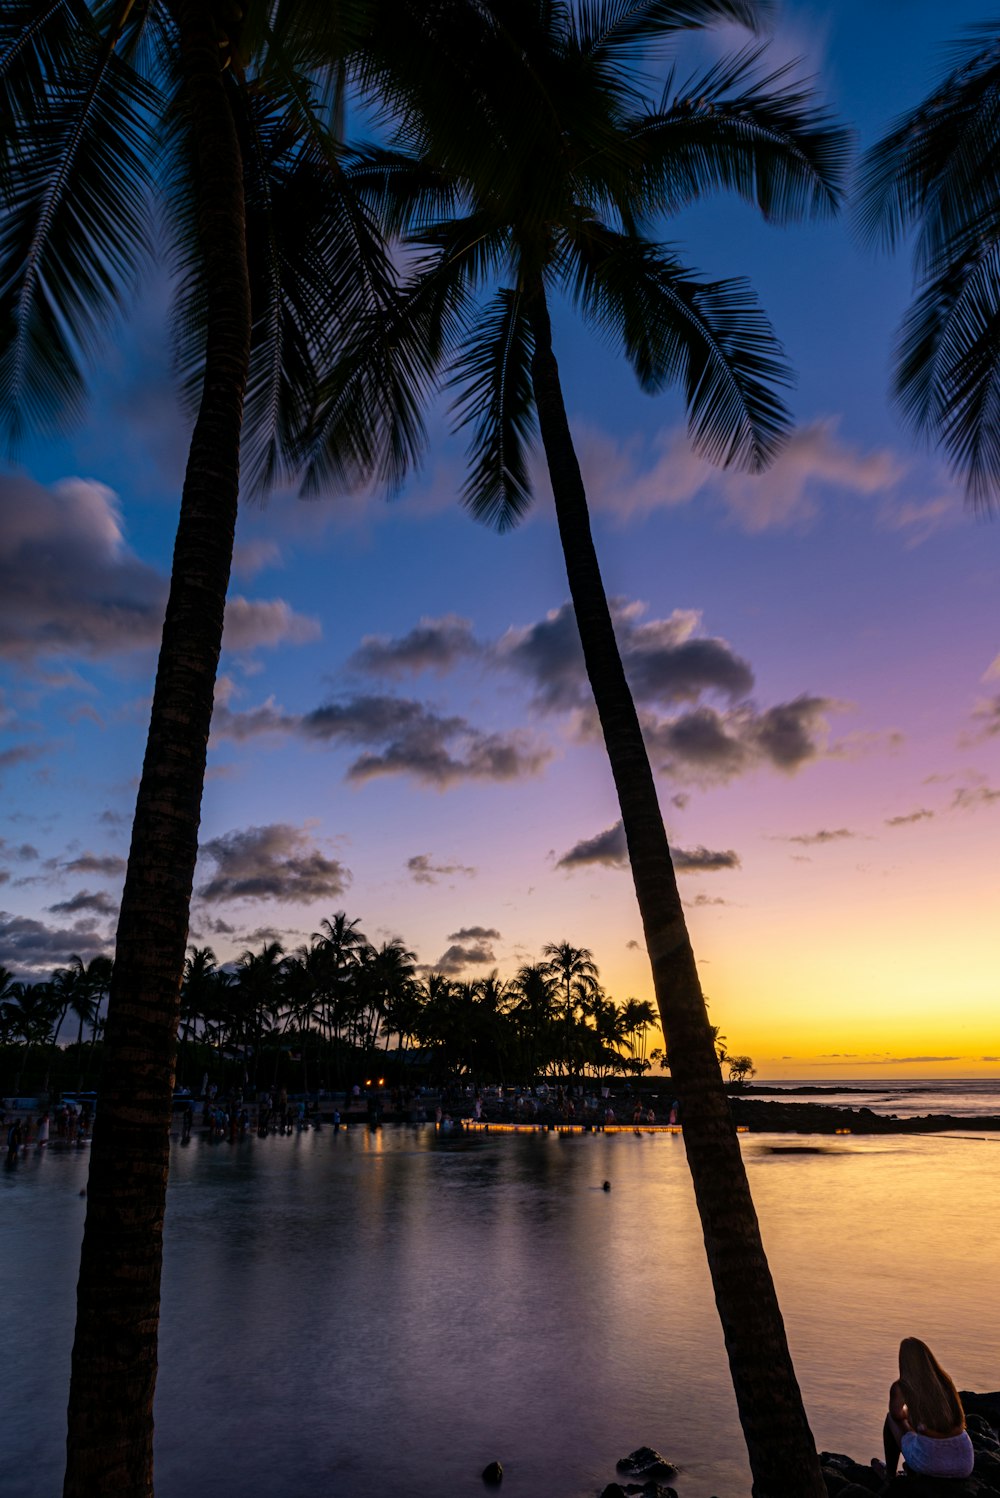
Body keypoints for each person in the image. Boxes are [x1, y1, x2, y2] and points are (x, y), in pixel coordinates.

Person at [873, 1337, 974, 1483]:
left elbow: (897, 1415)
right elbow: (959, 1419)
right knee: (922, 1432)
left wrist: (909, 1414)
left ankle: (890, 1475)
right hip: (964, 1464)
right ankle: (913, 1471)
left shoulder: (902, 1386)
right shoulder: (944, 1382)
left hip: (931, 1464)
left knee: (891, 1419)